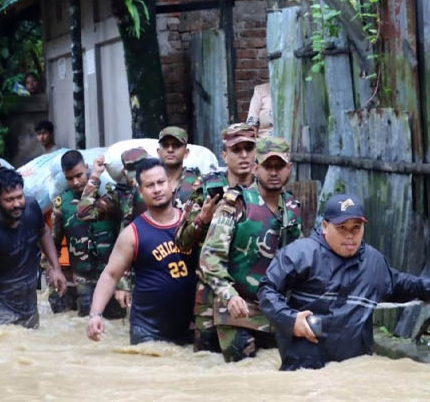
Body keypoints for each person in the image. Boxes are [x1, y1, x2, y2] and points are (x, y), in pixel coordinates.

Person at [259, 193, 430, 370]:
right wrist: (290, 320)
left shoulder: (374, 264)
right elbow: (267, 289)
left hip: (353, 372)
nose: (350, 235)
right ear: (325, 226)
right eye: (342, 227)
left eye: (356, 227)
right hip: (304, 373)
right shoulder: (301, 254)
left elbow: (407, 286)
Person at [198, 137, 302, 362]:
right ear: (256, 167)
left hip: (275, 308)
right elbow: (210, 259)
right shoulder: (236, 203)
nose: (274, 172)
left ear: (289, 169)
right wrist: (229, 296)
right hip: (236, 308)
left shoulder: (292, 208)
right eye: (267, 166)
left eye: (280, 166)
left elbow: (301, 261)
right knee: (245, 365)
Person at [86, 159, 196, 345]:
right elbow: (111, 275)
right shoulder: (132, 233)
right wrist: (95, 315)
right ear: (140, 191)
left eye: (161, 182)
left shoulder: (192, 222)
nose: (157, 189)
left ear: (170, 183)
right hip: (147, 329)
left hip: (189, 326)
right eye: (150, 185)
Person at [175, 123, 258, 352]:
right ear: (224, 154)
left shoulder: (265, 189)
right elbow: (181, 242)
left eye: (248, 149)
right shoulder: (208, 188)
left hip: (255, 294)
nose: (243, 155)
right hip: (211, 297)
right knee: (209, 361)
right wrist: (202, 220)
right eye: (236, 150)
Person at [0, 168, 67, 328]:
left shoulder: (30, 207)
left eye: (19, 197)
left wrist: (56, 268)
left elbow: (43, 231)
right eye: (9, 199)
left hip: (29, 306)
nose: (17, 204)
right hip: (1, 311)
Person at [50, 150, 124, 318]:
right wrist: (55, 272)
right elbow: (52, 244)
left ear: (87, 168)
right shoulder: (62, 204)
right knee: (87, 322)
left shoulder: (108, 197)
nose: (76, 182)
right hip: (83, 278)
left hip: (112, 274)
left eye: (79, 175)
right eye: (69, 178)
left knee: (117, 321)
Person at [77, 148, 149, 306]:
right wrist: (95, 175)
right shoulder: (121, 196)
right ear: (124, 173)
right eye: (133, 173)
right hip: (131, 276)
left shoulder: (164, 191)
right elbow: (85, 212)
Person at [155, 126, 201, 209]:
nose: (170, 149)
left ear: (186, 152)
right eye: (165, 145)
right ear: (158, 152)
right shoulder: (149, 183)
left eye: (176, 145)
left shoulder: (197, 183)